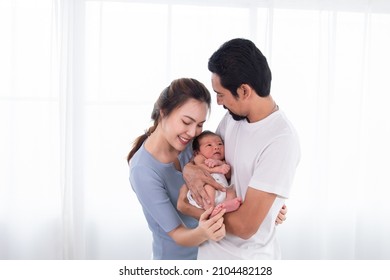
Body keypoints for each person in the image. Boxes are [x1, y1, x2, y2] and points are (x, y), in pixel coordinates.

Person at [180, 38, 300, 259]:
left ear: (244, 91)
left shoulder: (280, 140)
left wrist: (189, 209)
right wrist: (190, 169)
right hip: (210, 254)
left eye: (221, 94)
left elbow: (245, 226)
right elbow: (205, 157)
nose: (217, 102)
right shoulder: (233, 118)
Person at [128, 78, 226, 260]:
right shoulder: (143, 170)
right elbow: (178, 234)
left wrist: (263, 205)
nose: (192, 132)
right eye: (186, 122)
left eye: (200, 125)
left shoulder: (192, 145)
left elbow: (225, 178)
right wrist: (205, 232)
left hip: (211, 257)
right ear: (163, 112)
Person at [186, 130, 242, 217]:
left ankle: (224, 206)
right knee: (209, 187)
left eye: (220, 144)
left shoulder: (222, 161)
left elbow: (227, 175)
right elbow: (200, 168)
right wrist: (217, 169)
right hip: (203, 192)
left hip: (221, 190)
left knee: (231, 191)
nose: (216, 147)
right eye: (209, 145)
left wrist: (220, 164)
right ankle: (210, 209)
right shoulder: (199, 158)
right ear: (197, 152)